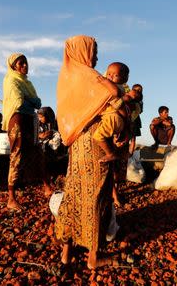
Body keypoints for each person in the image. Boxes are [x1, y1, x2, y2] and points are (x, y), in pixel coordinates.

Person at [55, 35, 120, 269]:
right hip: (93, 142)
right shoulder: (88, 75)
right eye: (93, 51)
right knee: (96, 194)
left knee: (73, 192)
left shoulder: (67, 78)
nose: (96, 57)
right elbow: (113, 91)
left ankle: (66, 253)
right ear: (83, 51)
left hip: (77, 144)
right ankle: (93, 256)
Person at [2, 53, 52, 210]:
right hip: (18, 121)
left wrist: (28, 100)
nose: (24, 65)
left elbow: (38, 102)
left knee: (38, 152)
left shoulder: (27, 83)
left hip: (31, 120)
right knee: (16, 155)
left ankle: (46, 186)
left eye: (25, 62)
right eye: (20, 63)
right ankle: (11, 197)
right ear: (13, 66)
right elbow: (18, 103)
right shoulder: (11, 80)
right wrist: (29, 101)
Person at [92, 62, 139, 163]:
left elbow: (115, 92)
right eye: (109, 74)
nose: (111, 77)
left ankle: (110, 154)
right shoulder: (115, 86)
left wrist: (105, 81)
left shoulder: (118, 87)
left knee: (98, 136)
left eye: (115, 75)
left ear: (124, 79)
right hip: (112, 118)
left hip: (113, 117)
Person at [129, 84, 144, 155]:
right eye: (136, 90)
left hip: (135, 119)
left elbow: (141, 111)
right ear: (132, 90)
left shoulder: (140, 101)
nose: (138, 91)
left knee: (133, 139)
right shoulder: (129, 96)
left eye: (139, 90)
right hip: (128, 117)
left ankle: (130, 154)